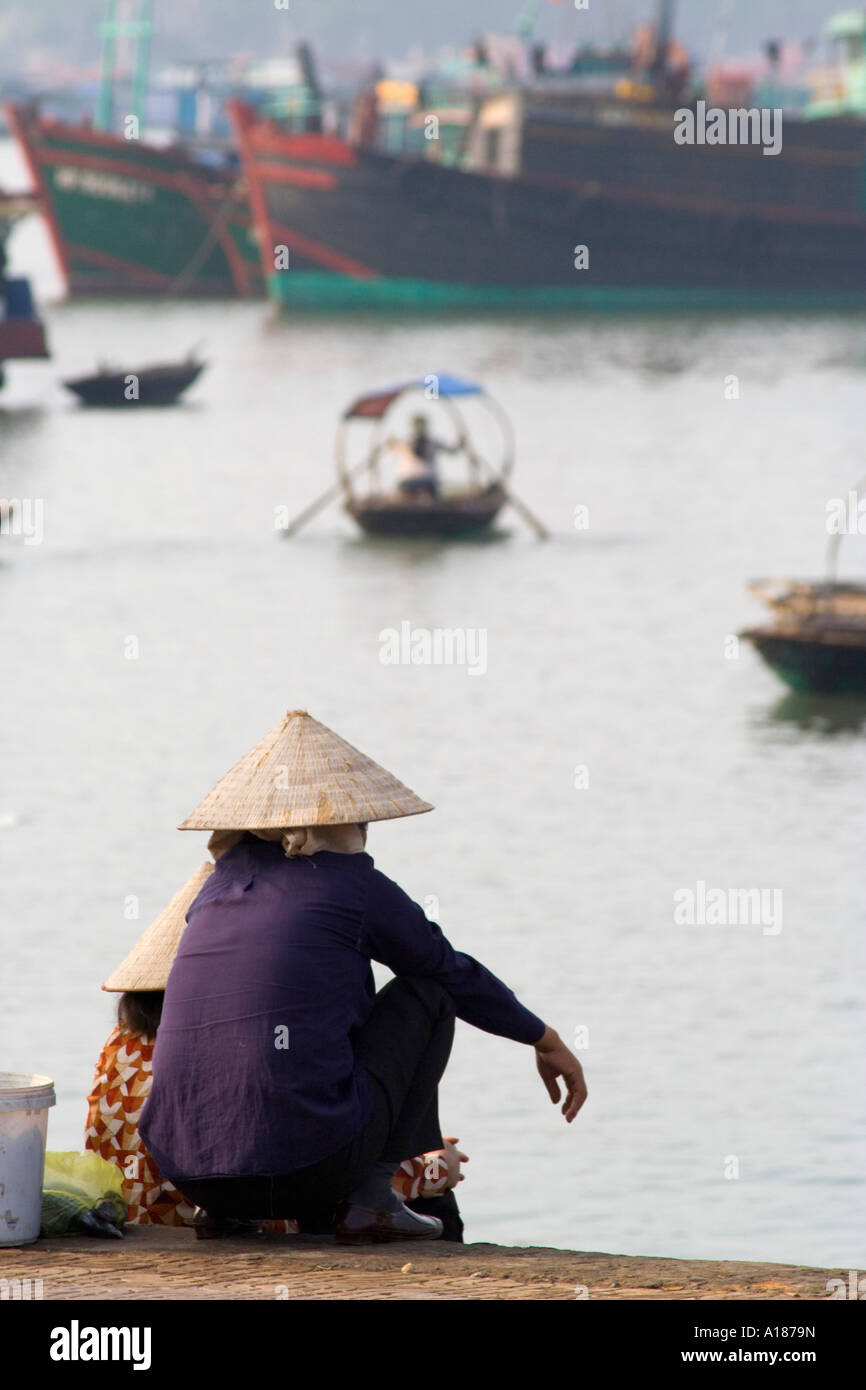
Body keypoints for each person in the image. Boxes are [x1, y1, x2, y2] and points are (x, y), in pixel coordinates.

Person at [139, 710, 587, 1243]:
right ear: (330, 826)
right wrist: (543, 1038)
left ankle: (228, 1213)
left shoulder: (211, 892)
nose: (365, 832)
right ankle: (371, 1198)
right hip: (308, 1171)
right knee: (429, 994)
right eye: (360, 820)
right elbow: (445, 966)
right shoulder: (352, 885)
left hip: (193, 1177)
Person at [92, 860, 468, 1238]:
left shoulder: (118, 1046)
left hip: (164, 1208)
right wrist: (430, 1172)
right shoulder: (238, 1042)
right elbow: (286, 1161)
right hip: (239, 1198)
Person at [392, 414, 463, 502]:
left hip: (413, 480)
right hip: (425, 481)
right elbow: (453, 451)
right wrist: (461, 443)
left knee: (407, 503)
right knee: (430, 502)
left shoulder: (405, 441)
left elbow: (392, 447)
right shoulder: (433, 441)